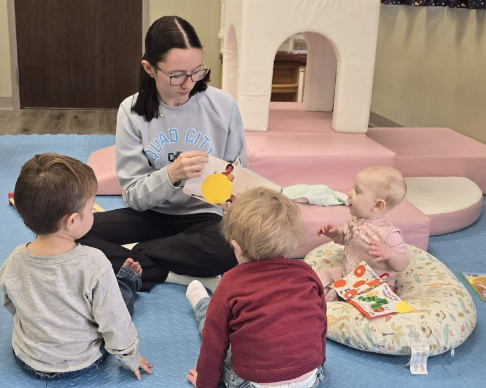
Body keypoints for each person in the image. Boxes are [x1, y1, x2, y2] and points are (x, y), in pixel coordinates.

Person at [78, 16, 247, 292]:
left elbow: (237, 180)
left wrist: (233, 199)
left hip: (204, 218)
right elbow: (133, 195)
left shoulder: (223, 106)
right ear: (149, 68)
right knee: (68, 233)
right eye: (177, 75)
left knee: (229, 249)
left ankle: (131, 257)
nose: (189, 83)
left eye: (197, 71)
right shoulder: (131, 111)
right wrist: (171, 175)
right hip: (150, 214)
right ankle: (173, 273)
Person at [0, 153, 153, 381]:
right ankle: (127, 282)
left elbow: (10, 302)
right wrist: (131, 357)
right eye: (91, 209)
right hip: (82, 361)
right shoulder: (94, 261)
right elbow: (115, 322)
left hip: (28, 359)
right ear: (72, 221)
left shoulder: (14, 259)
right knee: (117, 299)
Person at [185, 187, 327, 388]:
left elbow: (214, 342)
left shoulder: (231, 281)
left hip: (252, 383)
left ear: (237, 247)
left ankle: (201, 304)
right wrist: (319, 363)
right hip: (310, 378)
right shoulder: (307, 272)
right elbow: (321, 323)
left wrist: (205, 382)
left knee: (212, 323)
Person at [316, 166, 410, 301]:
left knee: (332, 296)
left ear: (377, 205)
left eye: (357, 191)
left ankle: (324, 303)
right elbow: (348, 239)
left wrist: (390, 254)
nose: (349, 193)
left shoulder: (388, 233)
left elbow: (403, 263)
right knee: (318, 276)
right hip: (347, 273)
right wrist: (336, 234)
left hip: (372, 285)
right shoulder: (354, 219)